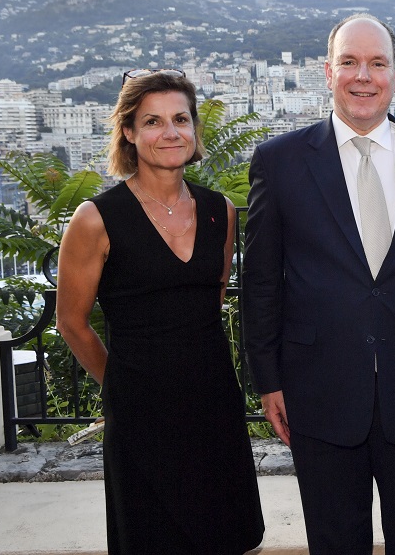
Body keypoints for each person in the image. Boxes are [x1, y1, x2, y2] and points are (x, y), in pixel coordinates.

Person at [242, 13, 395, 554]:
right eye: (349, 62)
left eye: (377, 63)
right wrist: (268, 380)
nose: (363, 76)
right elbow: (262, 281)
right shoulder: (279, 162)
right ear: (327, 72)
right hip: (319, 396)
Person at [56, 69, 264, 554]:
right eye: (152, 121)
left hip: (214, 401)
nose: (170, 132)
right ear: (129, 132)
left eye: (180, 119)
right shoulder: (96, 218)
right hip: (139, 410)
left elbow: (210, 298)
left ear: (194, 129)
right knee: (151, 537)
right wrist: (119, 383)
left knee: (224, 534)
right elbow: (71, 321)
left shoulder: (219, 210)